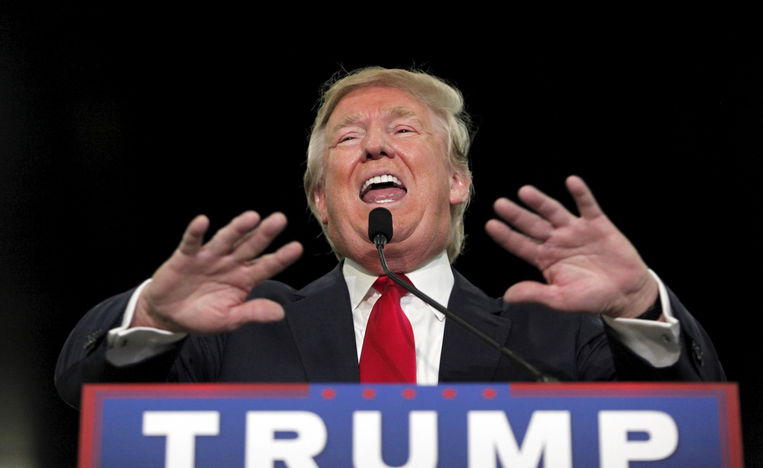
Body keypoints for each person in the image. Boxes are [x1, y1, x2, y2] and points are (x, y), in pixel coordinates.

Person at [55, 67, 724, 409]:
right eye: (348, 138)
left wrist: (639, 304)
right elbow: (83, 395)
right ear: (321, 198)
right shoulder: (238, 329)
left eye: (404, 131)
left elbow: (688, 427)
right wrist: (152, 319)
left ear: (457, 182)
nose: (375, 144)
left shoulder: (554, 333)